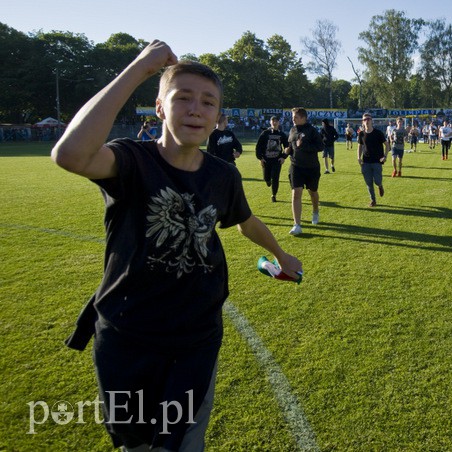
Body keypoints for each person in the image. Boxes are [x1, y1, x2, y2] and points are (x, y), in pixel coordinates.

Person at [51, 41, 302, 451]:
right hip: (128, 333)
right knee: (136, 445)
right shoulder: (131, 160)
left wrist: (280, 253)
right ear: (160, 108)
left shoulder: (222, 176)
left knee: (183, 443)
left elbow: (245, 221)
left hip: (195, 337)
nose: (195, 109)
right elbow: (70, 155)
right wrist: (139, 68)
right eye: (182, 98)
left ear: (218, 116)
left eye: (207, 102)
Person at [285, 107, 323, 235]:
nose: (293, 119)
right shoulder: (292, 130)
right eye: (293, 117)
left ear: (303, 118)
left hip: (312, 167)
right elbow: (290, 145)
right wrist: (287, 150)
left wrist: (304, 146)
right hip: (296, 166)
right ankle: (297, 225)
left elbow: (320, 146)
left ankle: (315, 210)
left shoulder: (312, 130)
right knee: (296, 193)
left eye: (295, 117)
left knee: (313, 192)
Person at [357, 113, 390, 206]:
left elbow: (387, 145)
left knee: (377, 180)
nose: (366, 121)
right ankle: (373, 200)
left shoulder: (378, 133)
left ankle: (380, 186)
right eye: (364, 119)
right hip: (366, 162)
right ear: (362, 122)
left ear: (372, 121)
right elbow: (359, 146)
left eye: (368, 119)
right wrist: (358, 158)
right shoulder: (361, 134)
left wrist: (385, 156)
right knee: (369, 183)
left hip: (377, 161)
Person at [255, 115, 289, 202]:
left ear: (279, 122)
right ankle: (267, 180)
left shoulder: (281, 134)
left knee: (275, 178)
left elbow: (287, 147)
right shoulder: (265, 133)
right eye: (273, 121)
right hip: (266, 160)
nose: (274, 122)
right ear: (270, 122)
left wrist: (283, 157)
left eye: (276, 121)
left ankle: (274, 195)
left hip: (277, 160)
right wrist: (260, 158)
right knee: (266, 178)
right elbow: (258, 147)